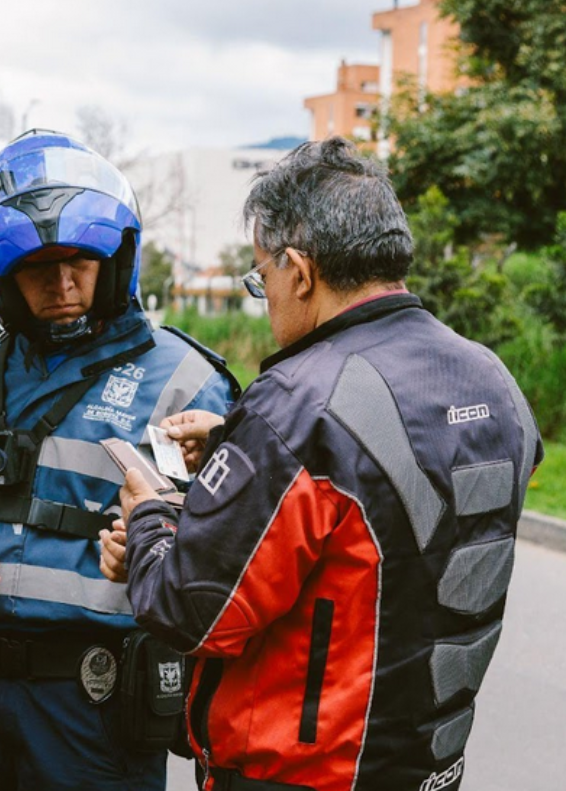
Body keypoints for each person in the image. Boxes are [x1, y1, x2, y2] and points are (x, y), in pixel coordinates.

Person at [102, 137, 544, 791]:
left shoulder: (296, 408)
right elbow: (398, 501)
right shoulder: (493, 379)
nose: (266, 294)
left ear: (299, 270)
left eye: (261, 277)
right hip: (431, 765)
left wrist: (150, 519)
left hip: (304, 775)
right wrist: (236, 439)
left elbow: (190, 610)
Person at [0, 130, 238, 791]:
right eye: (38, 267)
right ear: (2, 277)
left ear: (113, 260)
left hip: (95, 714)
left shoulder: (184, 381)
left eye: (80, 261)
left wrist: (162, 544)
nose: (63, 283)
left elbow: (234, 556)